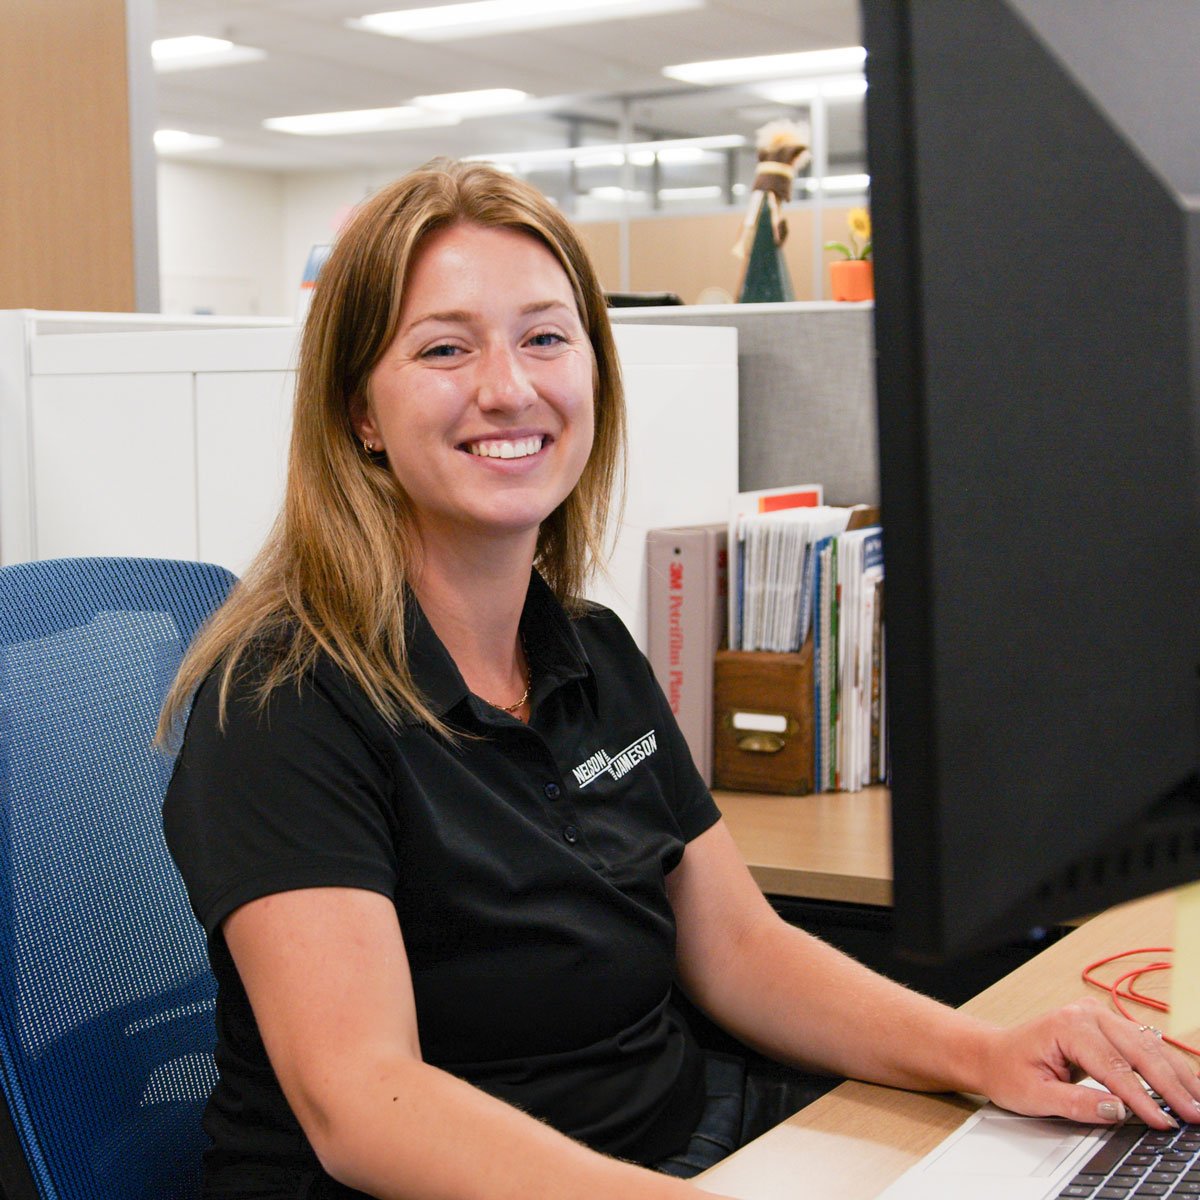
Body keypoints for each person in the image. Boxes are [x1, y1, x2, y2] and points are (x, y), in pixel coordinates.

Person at [160, 158, 1200, 1200]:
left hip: (689, 1146)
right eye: (444, 348)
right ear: (360, 414)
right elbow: (364, 1103)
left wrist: (987, 1051)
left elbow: (740, 948)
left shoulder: (586, 648)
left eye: (545, 337)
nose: (509, 387)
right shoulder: (283, 700)